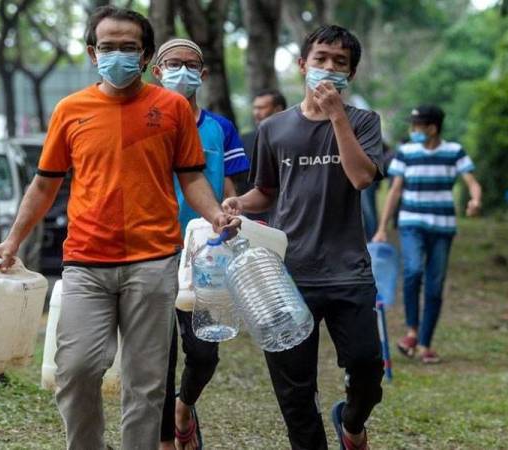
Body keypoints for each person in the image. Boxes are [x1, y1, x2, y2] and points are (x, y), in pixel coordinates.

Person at [0, 6, 239, 450]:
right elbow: (44, 185)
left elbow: (192, 176)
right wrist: (13, 240)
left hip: (153, 260)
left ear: (144, 57)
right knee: (77, 369)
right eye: (107, 47)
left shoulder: (172, 108)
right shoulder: (71, 110)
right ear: (91, 52)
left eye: (128, 48)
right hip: (86, 259)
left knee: (146, 382)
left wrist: (216, 214)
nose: (117, 55)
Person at [223, 25, 384, 450]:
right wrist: (238, 204)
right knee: (295, 391)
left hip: (349, 271)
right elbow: (267, 192)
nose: (329, 68)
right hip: (287, 276)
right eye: (321, 59)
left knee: (368, 371)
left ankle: (352, 425)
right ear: (302, 65)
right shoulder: (274, 129)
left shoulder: (364, 121)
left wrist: (336, 116)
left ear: (352, 73)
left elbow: (362, 177)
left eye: (340, 62)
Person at [151, 38, 250, 450]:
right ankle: (165, 441)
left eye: (191, 65)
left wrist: (233, 216)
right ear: (156, 71)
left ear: (203, 75)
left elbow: (231, 188)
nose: (182, 71)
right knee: (160, 357)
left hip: (205, 251)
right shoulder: (146, 120)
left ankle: (184, 406)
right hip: (154, 248)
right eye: (172, 64)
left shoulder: (219, 128)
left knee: (204, 352)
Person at [372, 105, 482, 364]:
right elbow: (395, 191)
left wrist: (475, 200)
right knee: (412, 271)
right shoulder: (406, 152)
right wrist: (381, 228)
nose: (413, 131)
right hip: (411, 223)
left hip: (443, 228)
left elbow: (472, 183)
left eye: (417, 126)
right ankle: (411, 331)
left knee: (434, 285)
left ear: (432, 128)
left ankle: (424, 344)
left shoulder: (454, 151)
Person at [237, 89, 287, 209]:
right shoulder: (244, 141)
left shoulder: (293, 138)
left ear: (278, 109)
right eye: (255, 108)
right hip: (254, 212)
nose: (256, 113)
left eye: (262, 108)